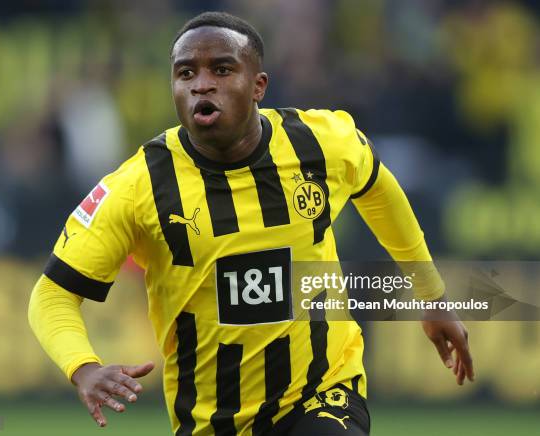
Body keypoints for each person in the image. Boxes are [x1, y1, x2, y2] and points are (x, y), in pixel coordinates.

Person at [28, 11, 474, 436]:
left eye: (221, 70)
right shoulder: (138, 187)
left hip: (323, 392)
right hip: (211, 420)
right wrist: (82, 367)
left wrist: (431, 295)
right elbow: (52, 295)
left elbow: (378, 187)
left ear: (258, 85)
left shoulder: (321, 143)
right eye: (186, 74)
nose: (202, 85)